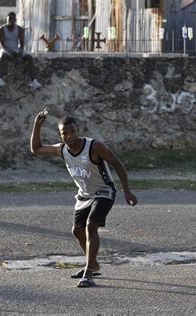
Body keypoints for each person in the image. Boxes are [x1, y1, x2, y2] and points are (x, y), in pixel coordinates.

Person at [30, 110, 138, 288]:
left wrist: (127, 191)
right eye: (65, 133)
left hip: (104, 191)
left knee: (91, 226)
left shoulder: (94, 146)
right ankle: (93, 264)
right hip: (84, 195)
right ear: (60, 135)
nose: (69, 136)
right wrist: (37, 124)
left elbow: (117, 163)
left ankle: (89, 272)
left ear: (78, 130)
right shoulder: (62, 150)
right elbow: (36, 149)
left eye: (72, 131)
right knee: (77, 231)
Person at [0, 12, 42, 90]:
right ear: (7, 19)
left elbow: (22, 43)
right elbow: (2, 44)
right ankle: (0, 79)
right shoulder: (2, 29)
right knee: (2, 56)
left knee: (29, 57)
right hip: (6, 49)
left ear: (15, 20)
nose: (11, 20)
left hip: (16, 49)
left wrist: (20, 51)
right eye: (10, 19)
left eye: (13, 19)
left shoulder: (19, 29)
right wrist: (10, 51)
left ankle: (33, 80)